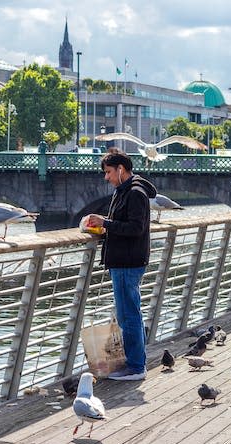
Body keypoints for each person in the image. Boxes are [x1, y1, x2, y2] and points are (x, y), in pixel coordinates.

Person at [86, 148, 157, 381]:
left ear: (120, 169)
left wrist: (106, 223)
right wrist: (104, 227)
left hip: (128, 261)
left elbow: (135, 228)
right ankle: (134, 362)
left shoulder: (135, 193)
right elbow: (122, 224)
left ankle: (136, 367)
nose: (106, 178)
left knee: (129, 315)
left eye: (108, 172)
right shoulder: (124, 190)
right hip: (124, 259)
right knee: (128, 313)